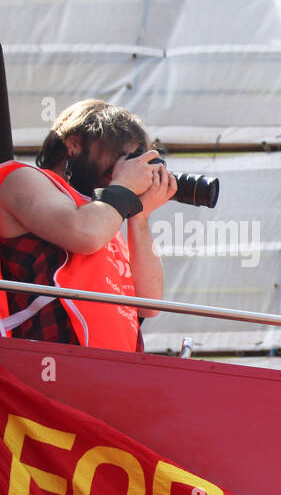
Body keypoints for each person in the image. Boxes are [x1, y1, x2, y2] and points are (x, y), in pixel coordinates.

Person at [0, 99, 175, 352]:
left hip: (111, 374)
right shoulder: (21, 178)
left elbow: (148, 303)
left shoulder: (102, 218)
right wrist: (123, 188)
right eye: (122, 156)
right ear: (74, 143)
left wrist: (140, 214)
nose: (126, 169)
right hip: (45, 366)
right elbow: (84, 234)